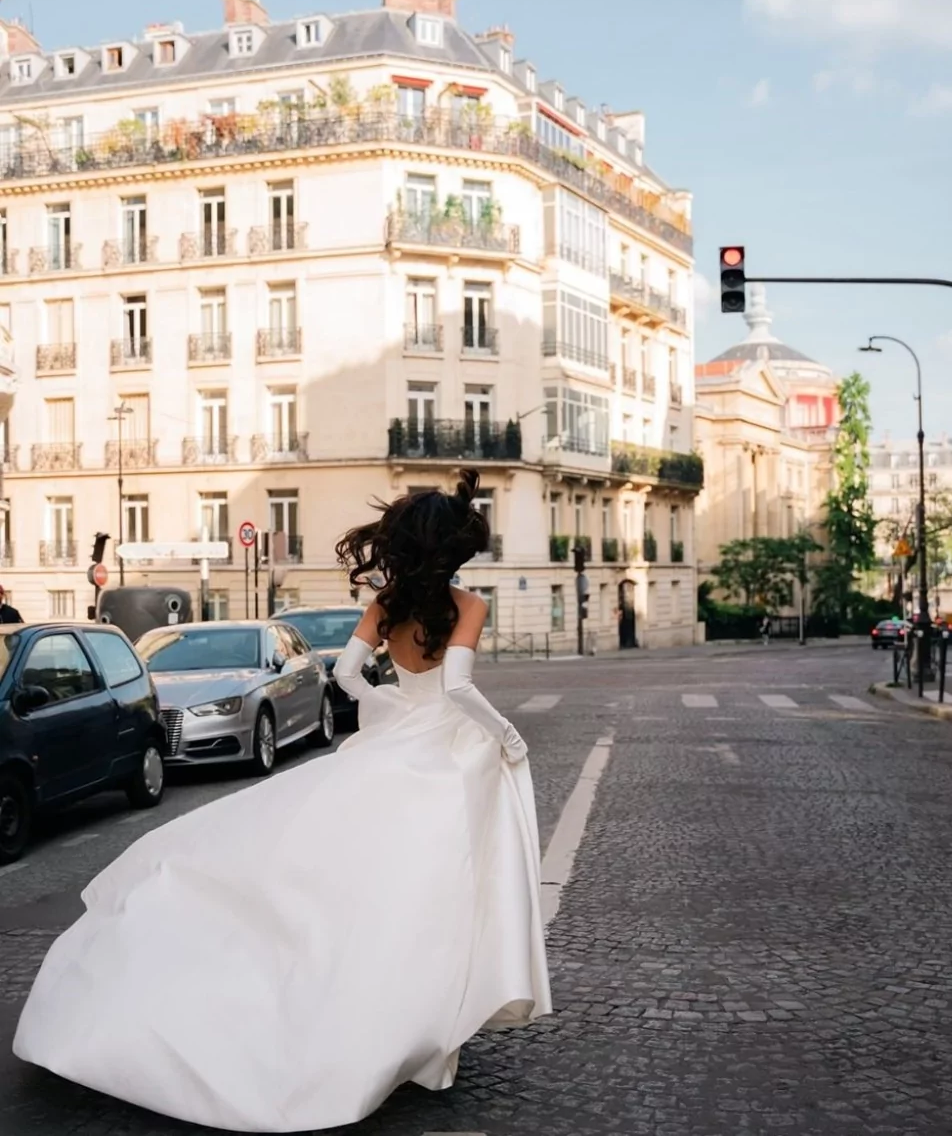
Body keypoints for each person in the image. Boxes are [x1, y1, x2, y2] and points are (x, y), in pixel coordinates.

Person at [13, 469, 551, 1132]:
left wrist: (392, 710)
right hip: (448, 755)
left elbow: (346, 674)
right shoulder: (469, 605)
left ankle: (409, 1032)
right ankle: (428, 1042)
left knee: (360, 885)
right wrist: (505, 732)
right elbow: (462, 689)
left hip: (398, 747)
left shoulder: (385, 604)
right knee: (435, 892)